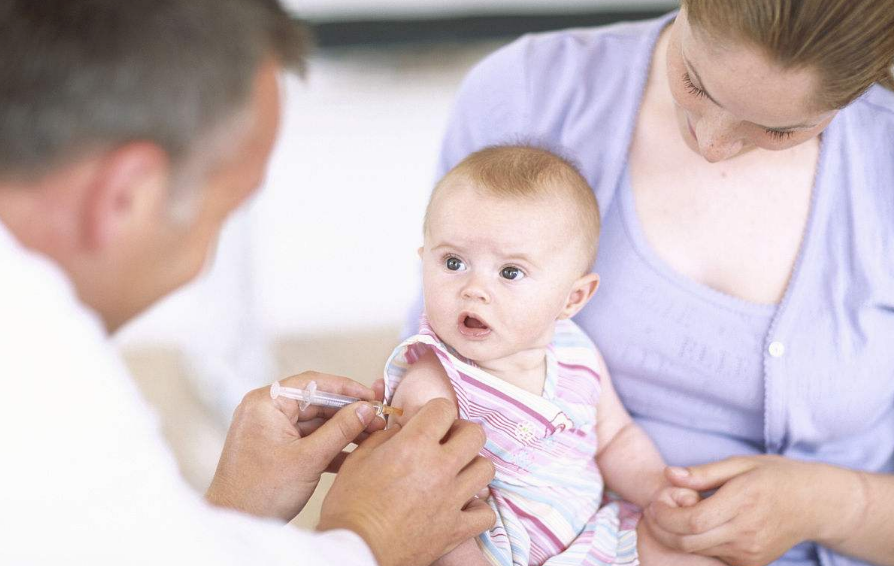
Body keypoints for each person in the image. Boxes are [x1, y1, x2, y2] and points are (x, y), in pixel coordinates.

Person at [0, 1, 494, 565]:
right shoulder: (42, 390)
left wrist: (234, 511)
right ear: (126, 197)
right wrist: (369, 538)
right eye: (226, 211)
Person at [406, 1, 894, 565]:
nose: (711, 144)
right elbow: (435, 384)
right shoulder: (529, 93)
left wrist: (838, 506)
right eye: (695, 82)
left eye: (780, 128)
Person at [387, 144, 726, 566]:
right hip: (499, 551)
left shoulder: (576, 353)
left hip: (594, 531)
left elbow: (617, 438)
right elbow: (426, 509)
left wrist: (657, 489)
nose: (474, 288)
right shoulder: (433, 383)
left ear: (573, 297)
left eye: (510, 272)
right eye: (453, 262)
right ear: (424, 263)